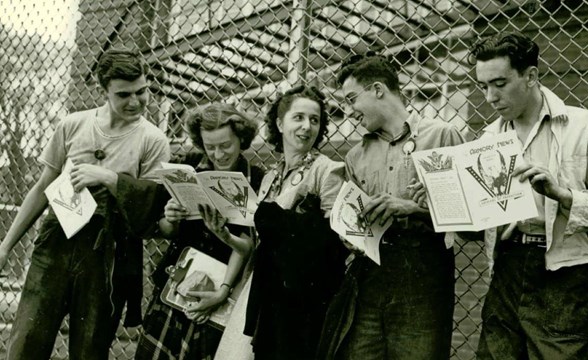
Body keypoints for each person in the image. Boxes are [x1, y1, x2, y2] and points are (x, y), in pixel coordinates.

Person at [468, 32, 588, 359]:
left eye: (500, 84)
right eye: (483, 86)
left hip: (562, 271)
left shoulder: (584, 126)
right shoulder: (488, 137)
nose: (489, 97)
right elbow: (478, 225)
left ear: (531, 76)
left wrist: (562, 195)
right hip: (505, 265)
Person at [0, 49, 171, 359]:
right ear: (101, 89)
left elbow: (149, 207)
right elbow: (42, 188)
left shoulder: (153, 139)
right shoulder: (73, 125)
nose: (135, 101)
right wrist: (5, 247)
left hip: (108, 251)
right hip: (57, 239)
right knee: (26, 340)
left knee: (90, 346)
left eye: (142, 91)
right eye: (123, 95)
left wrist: (108, 177)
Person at [322, 53, 466, 360]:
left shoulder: (441, 135)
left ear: (377, 89)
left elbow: (466, 215)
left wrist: (411, 207)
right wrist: (351, 235)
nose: (349, 112)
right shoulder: (356, 156)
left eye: (351, 99)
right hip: (371, 273)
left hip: (423, 270)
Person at [222, 85, 347, 360]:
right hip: (265, 289)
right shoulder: (270, 177)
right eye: (298, 117)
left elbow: (335, 241)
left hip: (300, 299)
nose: (307, 127)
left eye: (315, 120)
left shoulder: (327, 170)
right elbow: (258, 244)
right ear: (279, 123)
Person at [134, 102, 264, 360]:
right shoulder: (189, 166)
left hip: (221, 288)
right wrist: (170, 217)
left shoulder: (256, 179)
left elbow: (249, 246)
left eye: (225, 145)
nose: (218, 154)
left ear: (242, 138)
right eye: (210, 146)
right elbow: (166, 231)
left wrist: (224, 236)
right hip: (178, 283)